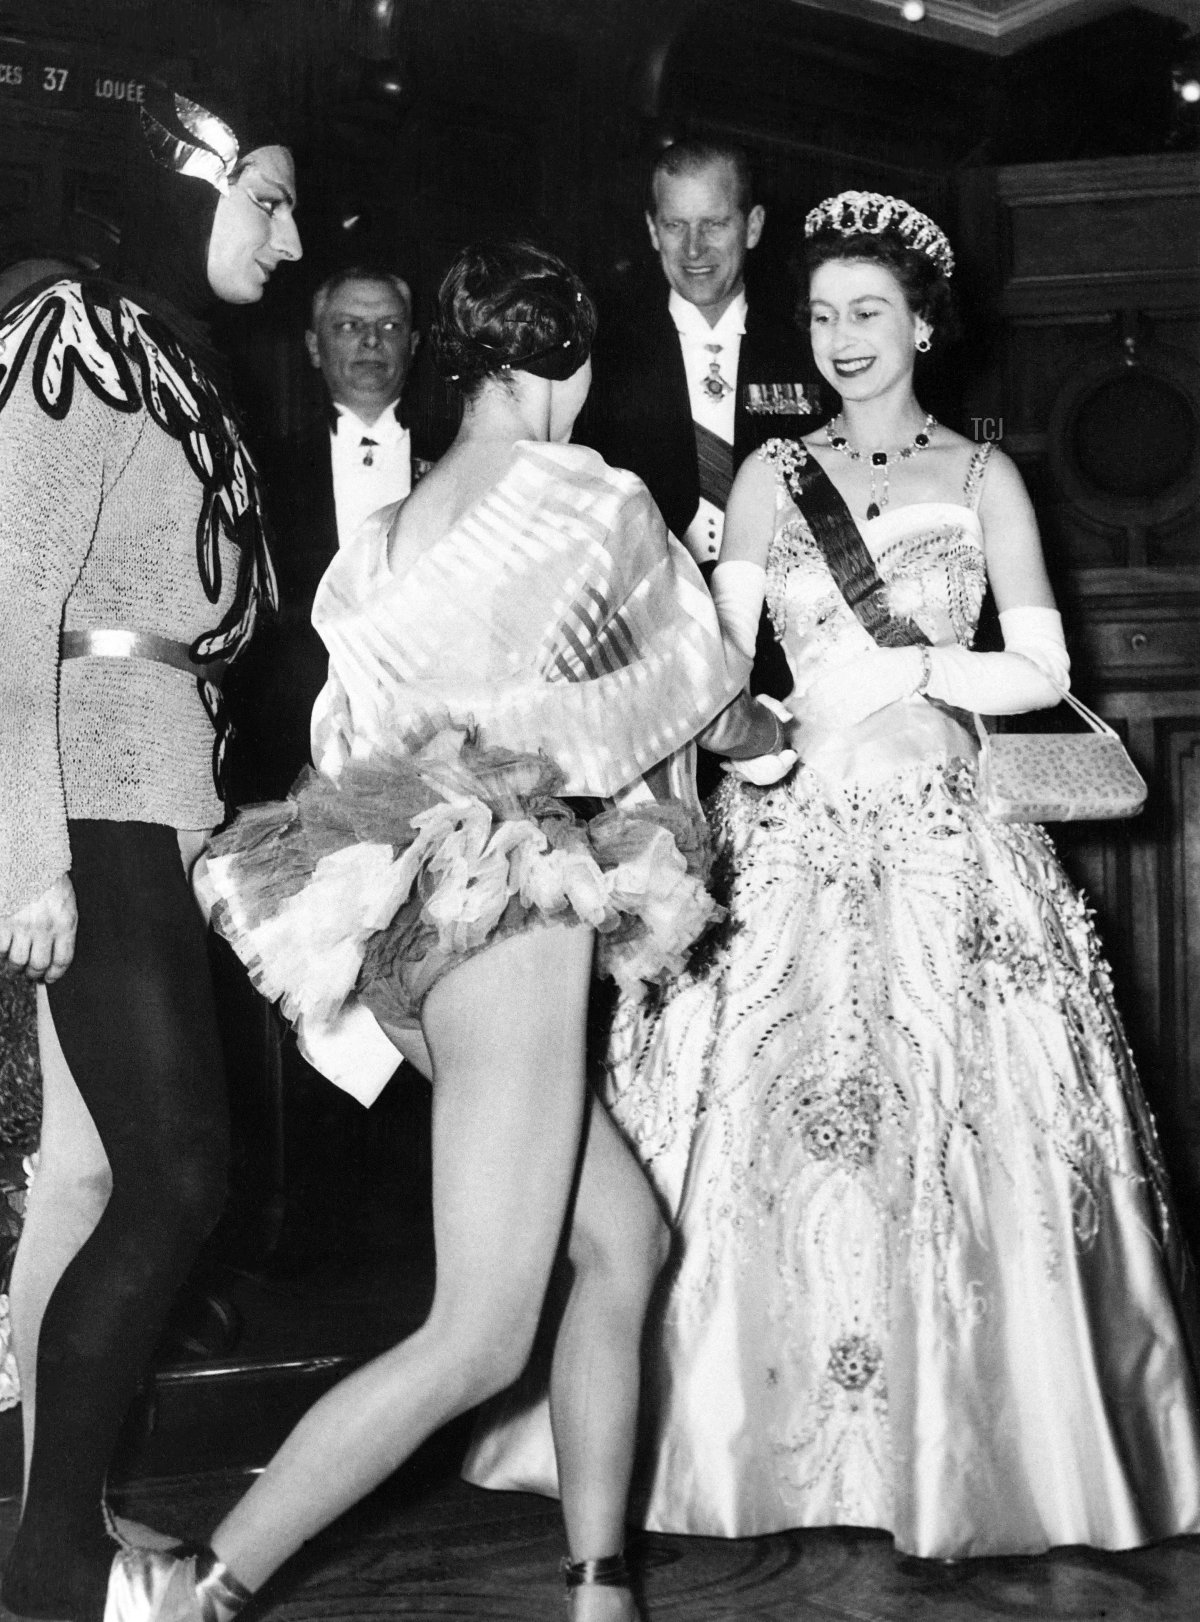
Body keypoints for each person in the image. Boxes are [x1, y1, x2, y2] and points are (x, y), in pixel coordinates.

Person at [465, 193, 1200, 1559]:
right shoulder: (768, 474)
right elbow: (717, 671)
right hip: (793, 834)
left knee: (962, 1129)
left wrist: (917, 665)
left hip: (944, 841)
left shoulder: (984, 477)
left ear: (925, 323)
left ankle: (981, 1440)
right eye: (822, 315)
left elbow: (1045, 673)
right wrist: (735, 748)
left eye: (871, 312)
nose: (845, 337)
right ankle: (742, 1439)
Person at [103, 240, 784, 1622]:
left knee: (623, 1244)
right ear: (568, 365)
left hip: (405, 919)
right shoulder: (593, 498)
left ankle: (601, 1588)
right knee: (477, 1335)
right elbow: (694, 684)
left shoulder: (386, 536)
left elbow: (354, 740)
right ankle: (206, 1595)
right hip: (517, 902)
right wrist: (789, 725)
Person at [0, 84, 300, 1619]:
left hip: (159, 791)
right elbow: (10, 597)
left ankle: (58, 1539)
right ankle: (52, 1572)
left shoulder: (171, 357)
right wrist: (25, 854)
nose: (292, 236)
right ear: (185, 191)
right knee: (181, 1177)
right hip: (92, 793)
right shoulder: (73, 341)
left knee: (96, 1177)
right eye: (265, 199)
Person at [576, 138, 826, 754]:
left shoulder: (810, 343)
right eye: (675, 225)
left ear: (754, 226)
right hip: (649, 651)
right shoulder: (604, 353)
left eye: (714, 224)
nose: (694, 249)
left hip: (791, 644)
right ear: (652, 230)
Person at [231, 265, 420, 805]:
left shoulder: (455, 463)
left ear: (415, 342)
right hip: (293, 744)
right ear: (313, 347)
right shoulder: (263, 469)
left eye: (388, 326)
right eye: (348, 326)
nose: (369, 341)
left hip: (425, 732)